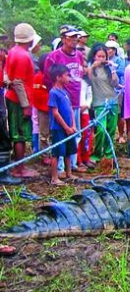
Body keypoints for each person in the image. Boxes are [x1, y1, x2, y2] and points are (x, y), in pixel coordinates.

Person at [44, 25, 87, 173]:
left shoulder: (79, 55)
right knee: (61, 134)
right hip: (60, 100)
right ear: (63, 39)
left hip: (74, 99)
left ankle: (72, 165)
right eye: (71, 37)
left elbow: (81, 75)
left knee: (75, 133)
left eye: (76, 37)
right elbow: (47, 78)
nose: (74, 40)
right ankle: (60, 169)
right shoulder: (54, 56)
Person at [4, 23, 39, 180]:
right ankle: (19, 168)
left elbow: (8, 75)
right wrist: (26, 105)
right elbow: (18, 82)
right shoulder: (22, 56)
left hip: (14, 97)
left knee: (19, 133)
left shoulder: (13, 51)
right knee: (20, 134)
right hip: (19, 100)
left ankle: (20, 165)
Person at [87, 44, 119, 168]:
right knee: (101, 128)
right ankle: (96, 154)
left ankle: (109, 154)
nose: (101, 58)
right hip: (99, 102)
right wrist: (93, 66)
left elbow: (115, 84)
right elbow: (88, 79)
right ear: (94, 56)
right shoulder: (91, 68)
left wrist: (113, 70)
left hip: (112, 101)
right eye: (99, 56)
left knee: (111, 129)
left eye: (103, 56)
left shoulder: (109, 68)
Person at [47, 64, 79, 185]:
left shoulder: (65, 92)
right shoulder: (53, 93)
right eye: (66, 75)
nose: (69, 77)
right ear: (58, 77)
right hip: (58, 128)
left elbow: (70, 109)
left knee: (68, 151)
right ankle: (54, 177)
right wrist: (65, 127)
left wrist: (73, 125)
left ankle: (68, 173)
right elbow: (55, 112)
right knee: (56, 152)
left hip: (69, 128)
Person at [32, 53, 51, 165]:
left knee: (53, 132)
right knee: (44, 134)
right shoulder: (38, 77)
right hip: (43, 109)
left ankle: (52, 153)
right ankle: (44, 155)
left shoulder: (52, 76)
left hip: (53, 109)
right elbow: (37, 95)